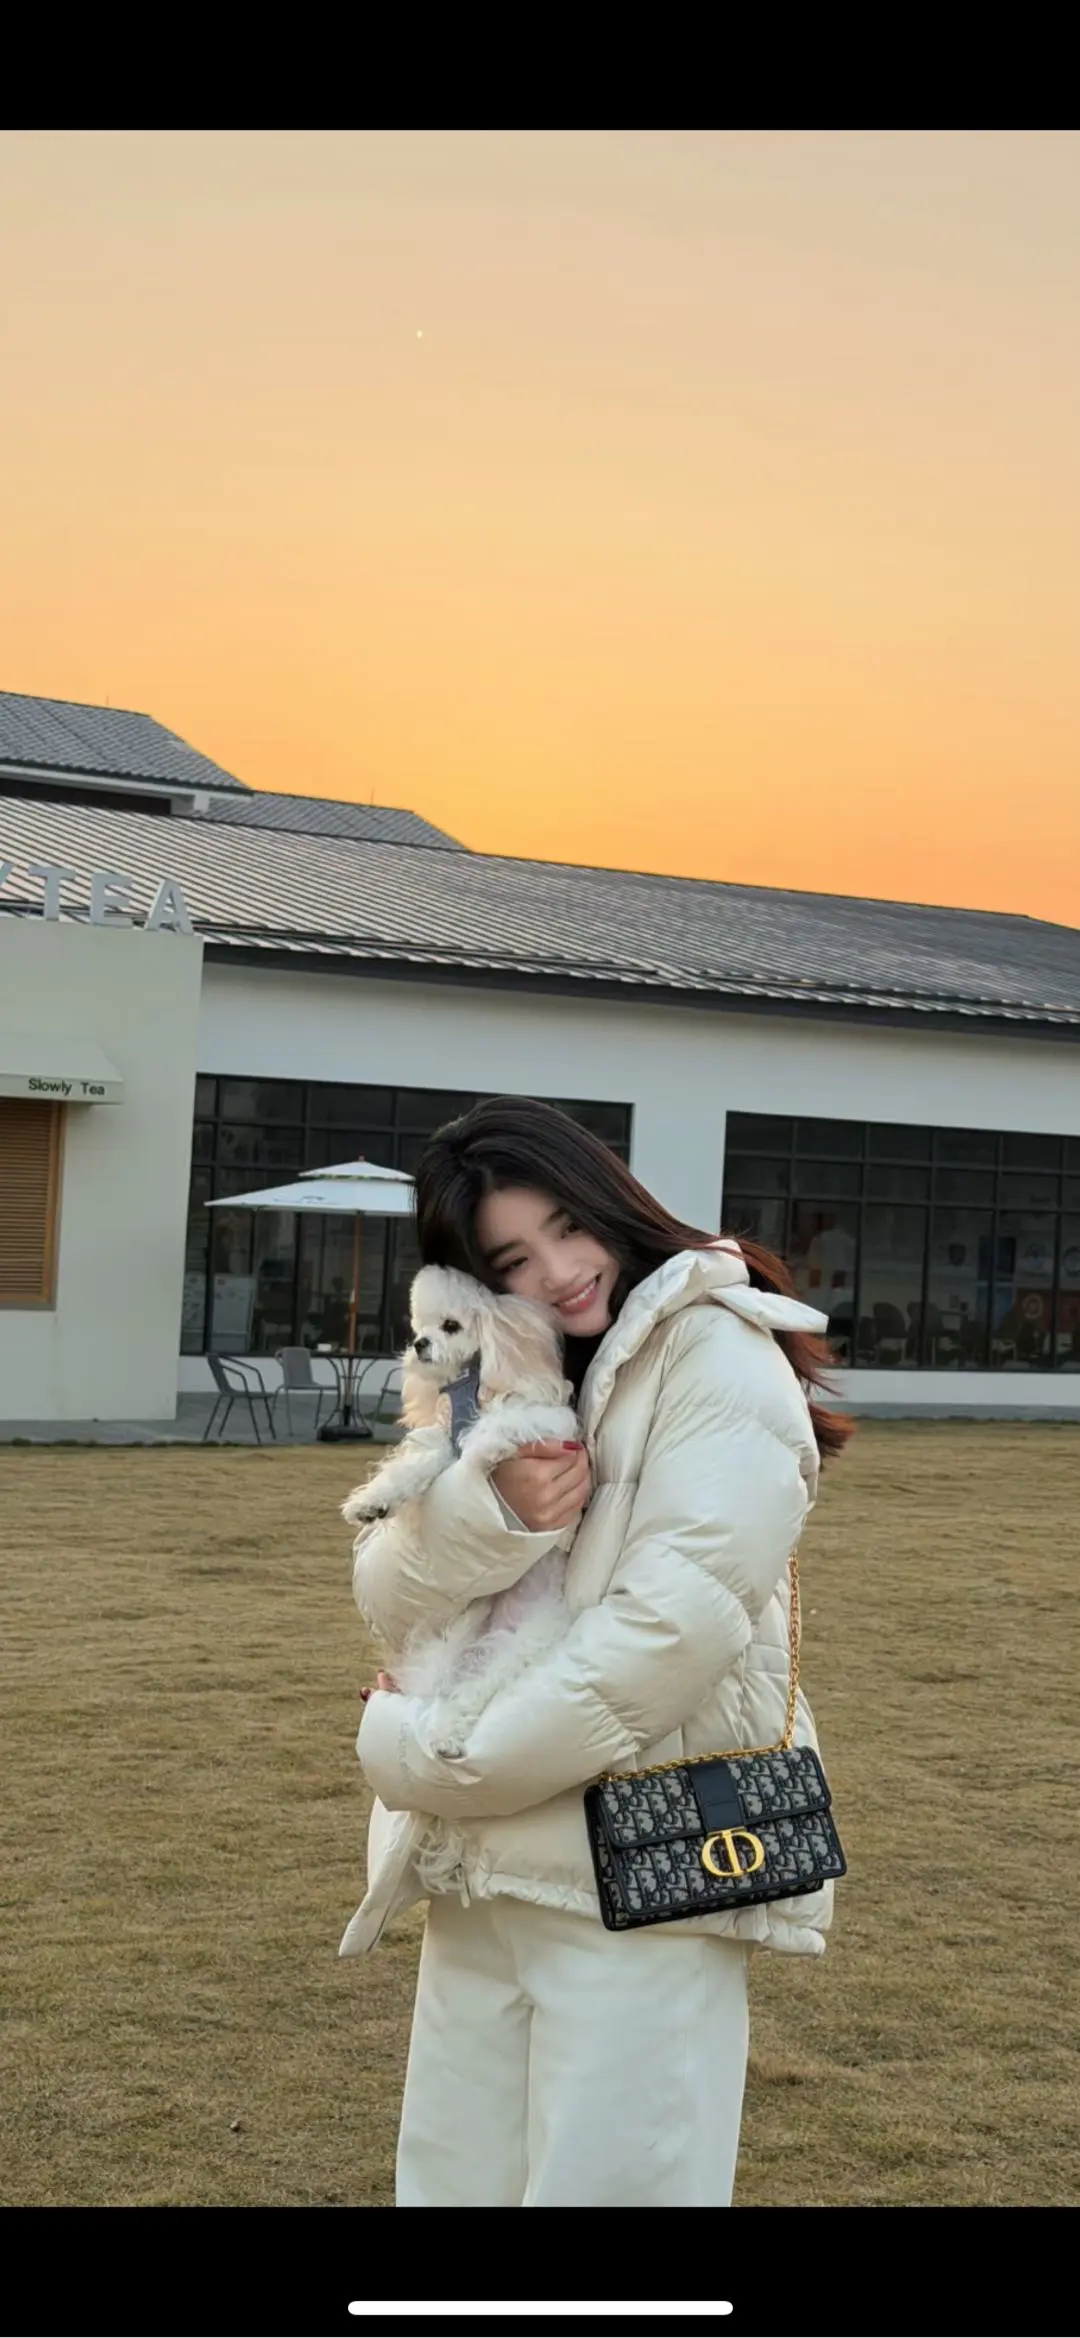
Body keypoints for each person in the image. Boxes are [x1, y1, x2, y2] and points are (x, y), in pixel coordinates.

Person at [347, 1096, 852, 2208]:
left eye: (568, 1226)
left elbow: (669, 1632)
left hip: (640, 1864)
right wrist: (496, 1511)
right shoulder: (497, 1371)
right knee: (453, 2189)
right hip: (482, 1874)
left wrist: (436, 1756)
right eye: (513, 1260)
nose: (561, 1272)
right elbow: (386, 1592)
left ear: (609, 1201)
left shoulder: (716, 1350)